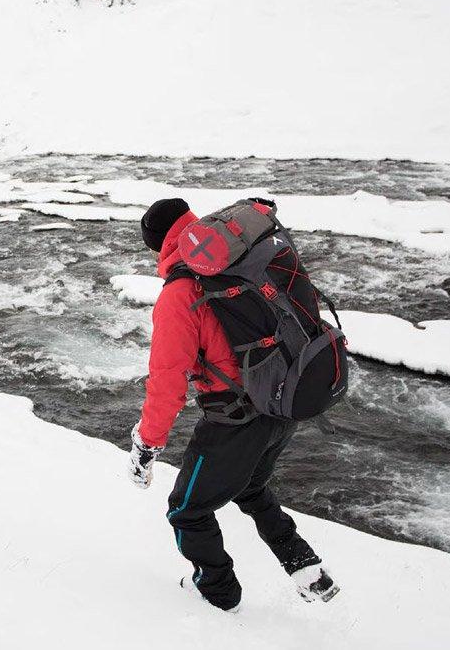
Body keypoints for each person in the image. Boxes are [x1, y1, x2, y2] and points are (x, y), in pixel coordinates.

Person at [127, 198, 338, 612]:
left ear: (156, 245)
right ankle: (307, 569)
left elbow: (167, 382)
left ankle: (219, 595)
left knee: (187, 511)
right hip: (282, 400)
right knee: (250, 487)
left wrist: (147, 444)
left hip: (235, 420)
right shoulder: (238, 256)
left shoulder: (180, 293)